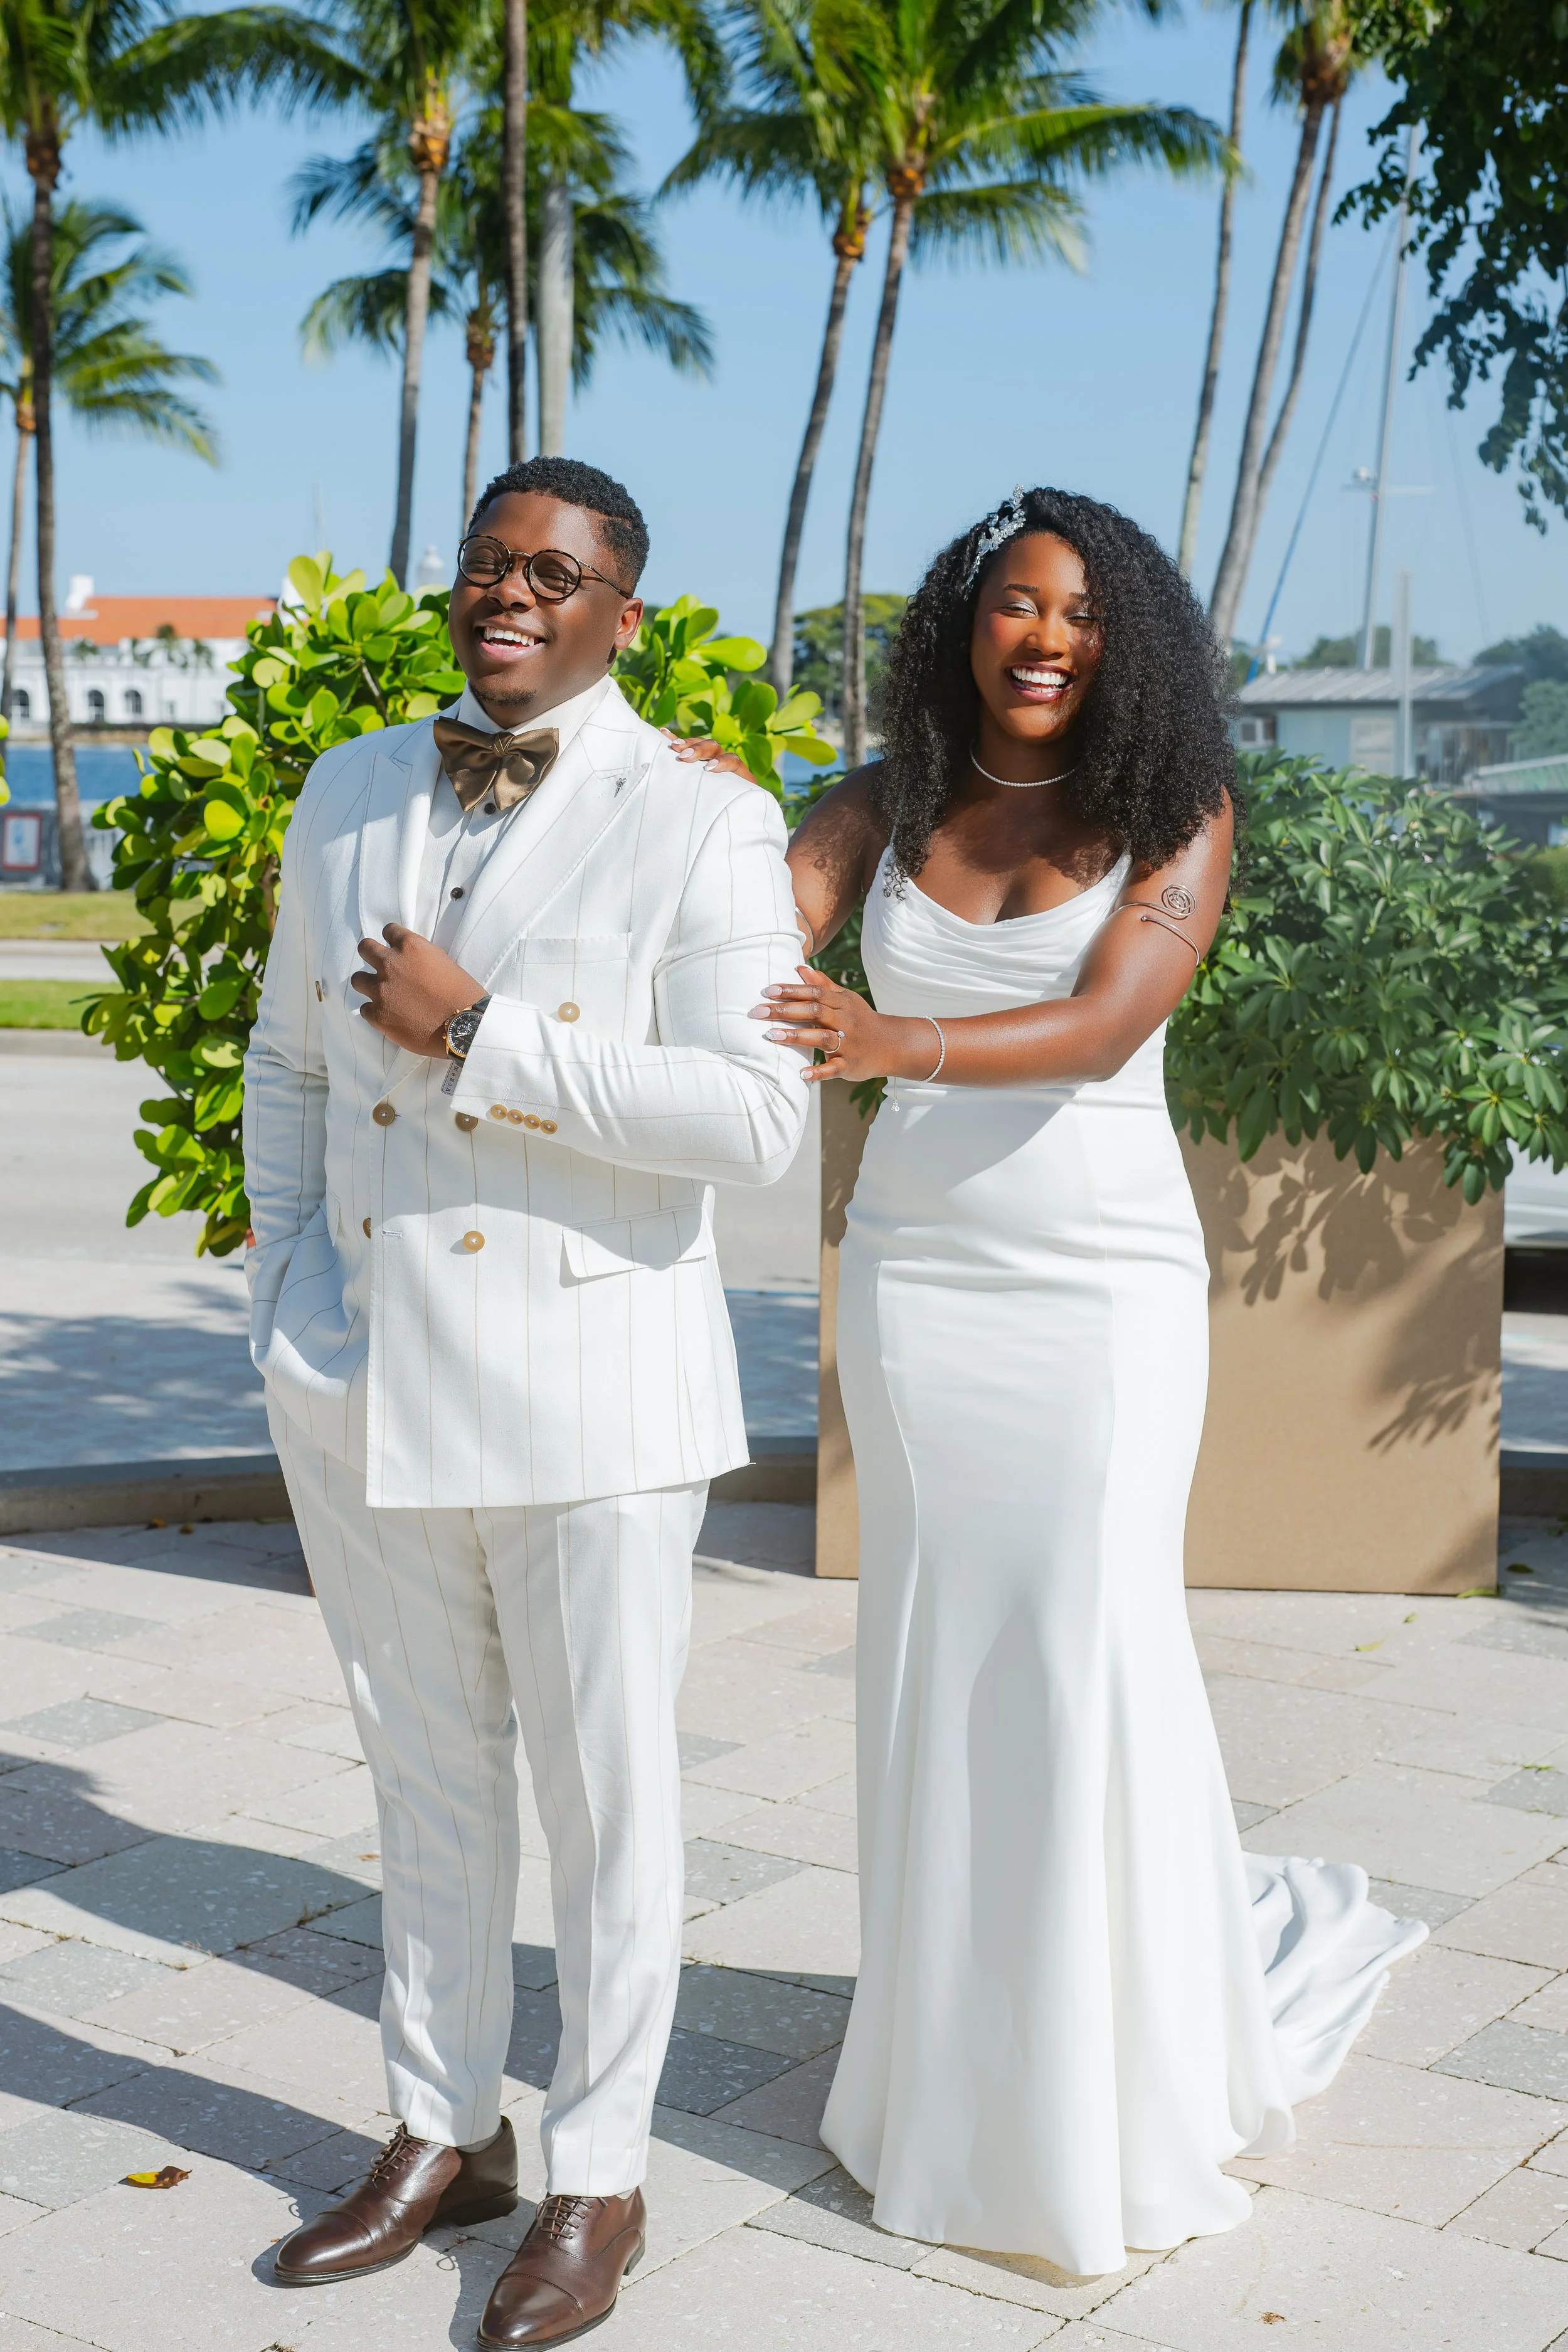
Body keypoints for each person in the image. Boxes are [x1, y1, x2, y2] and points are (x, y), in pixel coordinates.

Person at [758, 487, 1424, 2274]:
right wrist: (664, 796)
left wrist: (891, 1037)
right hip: (915, 1280)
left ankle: (1096, 2083)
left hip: (1095, 1287)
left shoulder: (1173, 807)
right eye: (1011, 606)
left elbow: (1110, 1016)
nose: (1043, 637)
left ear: (1119, 641)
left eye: (1079, 614)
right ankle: (938, 2073)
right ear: (960, 628)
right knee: (930, 1648)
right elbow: (735, 916)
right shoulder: (882, 800)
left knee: (1078, 1643)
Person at [243, 456, 807, 2344]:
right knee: (424, 1778)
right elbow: (285, 1063)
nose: (510, 594)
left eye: (554, 573)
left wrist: (484, 1034)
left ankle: (599, 2171)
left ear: (619, 613)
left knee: (606, 1797)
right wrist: (283, 1293)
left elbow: (755, 1113)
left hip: (590, 1387)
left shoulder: (702, 820)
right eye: (489, 562)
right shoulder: (344, 788)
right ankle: (437, 2125)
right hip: (365, 1373)